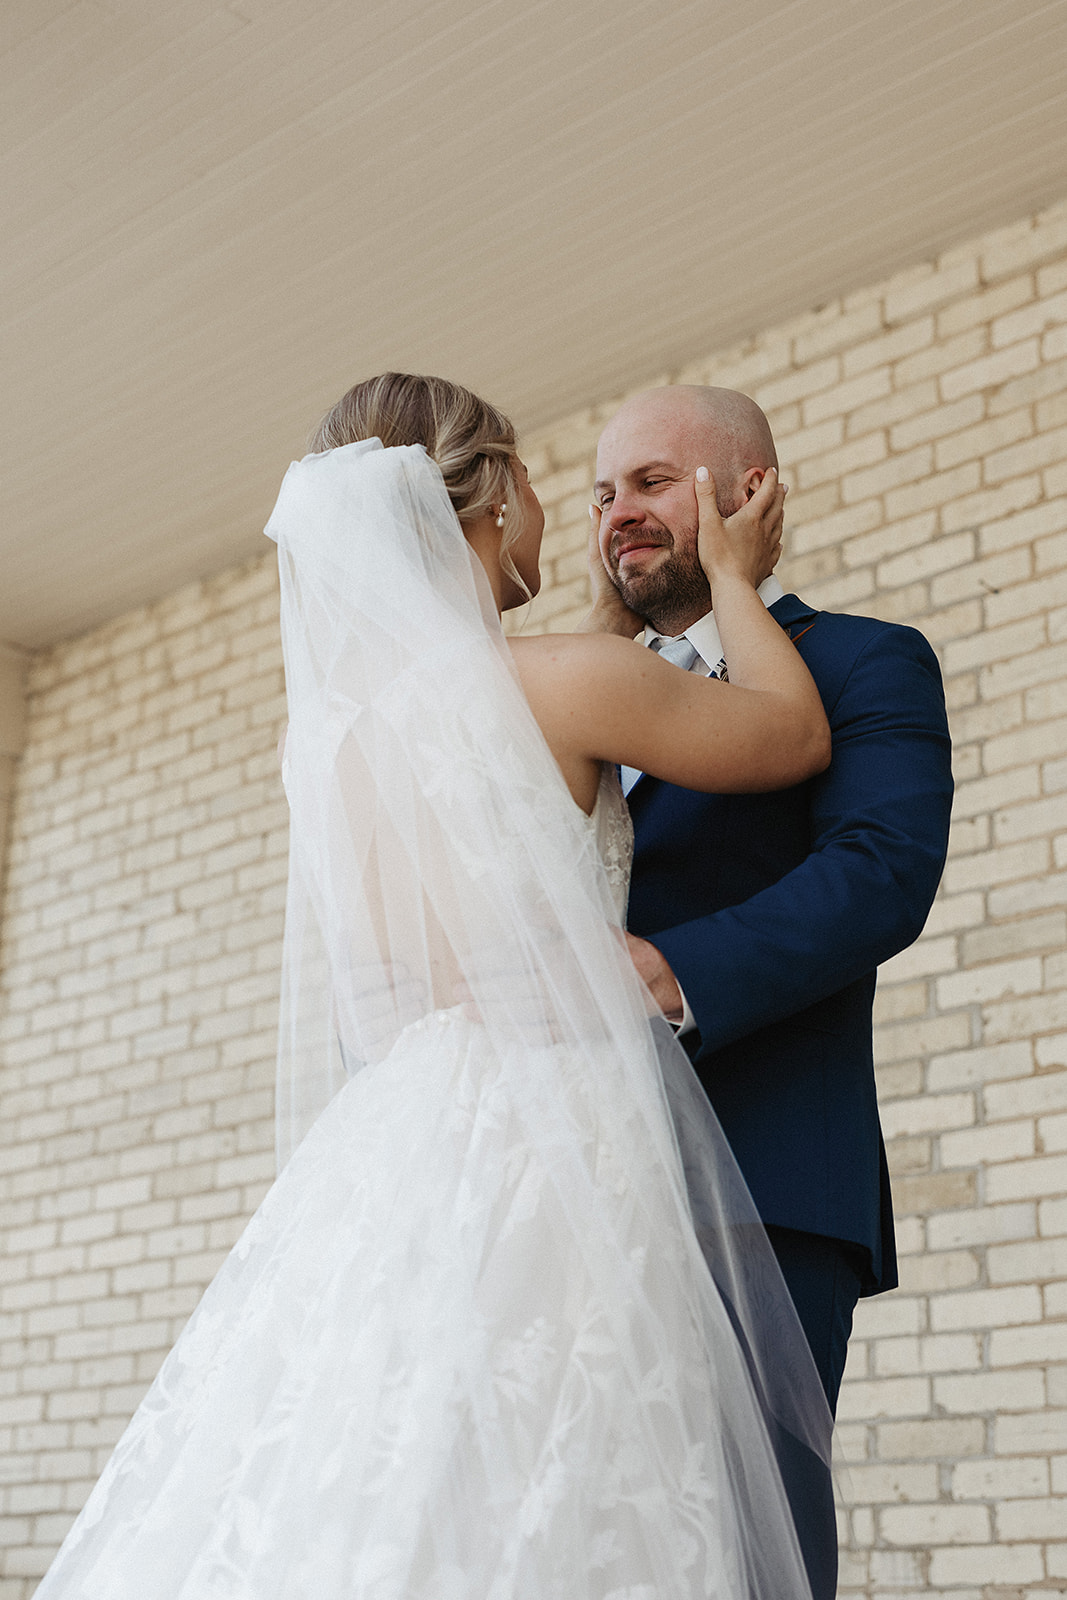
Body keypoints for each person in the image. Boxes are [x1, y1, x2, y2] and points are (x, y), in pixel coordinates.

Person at [35, 374, 833, 1600]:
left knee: (390, 1458)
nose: (548, 505)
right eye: (530, 477)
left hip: (400, 1133)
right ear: (481, 495)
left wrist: (588, 641)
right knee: (567, 1463)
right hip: (557, 1122)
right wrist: (730, 563)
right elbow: (790, 732)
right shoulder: (558, 680)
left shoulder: (328, 741)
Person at [588, 383, 954, 1599]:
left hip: (760, 1183)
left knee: (752, 1553)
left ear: (747, 491)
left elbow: (878, 875)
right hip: (565, 1186)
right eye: (600, 493)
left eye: (650, 482)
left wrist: (670, 971)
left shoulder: (860, 661)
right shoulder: (577, 693)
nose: (616, 514)